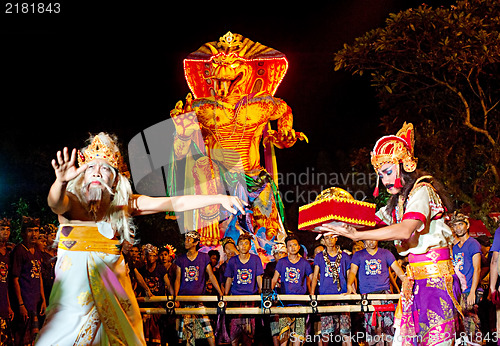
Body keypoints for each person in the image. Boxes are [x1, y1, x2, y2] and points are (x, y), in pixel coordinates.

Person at [36, 132, 245, 345]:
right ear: (81, 174)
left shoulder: (122, 207)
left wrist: (219, 198)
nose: (97, 172)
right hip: (71, 310)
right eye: (90, 167)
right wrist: (60, 182)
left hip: (115, 307)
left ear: (116, 179)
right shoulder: (72, 202)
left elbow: (174, 203)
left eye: (105, 168)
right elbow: (56, 203)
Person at [321, 123, 462, 346]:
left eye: (388, 172)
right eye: (381, 175)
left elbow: (405, 229)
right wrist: (337, 222)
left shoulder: (422, 191)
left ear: (404, 165)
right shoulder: (397, 203)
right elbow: (369, 221)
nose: (385, 181)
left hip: (436, 282)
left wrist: (356, 236)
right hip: (414, 282)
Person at [348, 240, 405, 346]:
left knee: (388, 328)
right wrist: (349, 285)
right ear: (364, 242)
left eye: (373, 238)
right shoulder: (358, 255)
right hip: (368, 295)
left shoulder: (385, 253)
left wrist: (405, 280)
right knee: (373, 328)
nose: (371, 242)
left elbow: (397, 268)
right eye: (368, 239)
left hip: (385, 294)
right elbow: (352, 271)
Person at [175, 231, 223, 346]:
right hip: (184, 300)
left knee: (208, 331)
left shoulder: (204, 257)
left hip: (198, 300)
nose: (186, 242)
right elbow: (178, 279)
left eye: (189, 240)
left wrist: (220, 293)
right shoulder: (181, 259)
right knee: (185, 335)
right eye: (185, 239)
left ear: (196, 242)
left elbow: (211, 275)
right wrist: (176, 298)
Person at [310, 234, 352, 346]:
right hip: (325, 296)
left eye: (332, 237)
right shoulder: (319, 256)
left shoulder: (345, 256)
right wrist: (312, 294)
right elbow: (315, 276)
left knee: (345, 331)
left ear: (336, 238)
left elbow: (349, 276)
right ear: (323, 240)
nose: (330, 240)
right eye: (327, 238)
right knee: (326, 332)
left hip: (342, 295)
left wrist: (352, 292)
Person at [11, 216, 46, 346]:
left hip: (36, 303)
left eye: (36, 230)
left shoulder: (37, 252)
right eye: (30, 230)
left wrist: (43, 299)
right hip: (25, 304)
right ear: (23, 233)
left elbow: (39, 276)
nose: (34, 234)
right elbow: (15, 279)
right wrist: (20, 305)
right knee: (23, 340)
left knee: (35, 340)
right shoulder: (19, 251)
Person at [448, 212, 483, 344]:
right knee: (463, 325)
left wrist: (473, 291)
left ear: (467, 225)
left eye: (460, 224)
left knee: (472, 323)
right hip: (460, 291)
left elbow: (478, 268)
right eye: (455, 225)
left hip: (471, 290)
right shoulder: (456, 247)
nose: (457, 228)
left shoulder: (473, 243)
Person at [272, 235, 313, 346]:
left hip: (300, 304)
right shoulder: (281, 262)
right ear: (286, 248)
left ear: (299, 247)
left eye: (295, 245)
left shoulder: (305, 263)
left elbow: (312, 279)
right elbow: (274, 279)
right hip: (284, 305)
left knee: (297, 339)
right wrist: (269, 294)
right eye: (290, 246)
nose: (293, 248)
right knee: (283, 338)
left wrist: (312, 294)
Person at [225, 233, 264, 346]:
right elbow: (228, 279)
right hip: (236, 299)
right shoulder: (233, 261)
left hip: (251, 299)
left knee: (249, 332)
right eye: (241, 244)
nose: (243, 246)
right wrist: (225, 296)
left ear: (250, 246)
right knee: (234, 332)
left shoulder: (256, 259)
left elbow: (259, 278)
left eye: (246, 243)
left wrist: (262, 294)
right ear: (237, 246)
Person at [0, 218, 14, 345]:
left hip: (3, 304)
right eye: (2, 229)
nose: (5, 232)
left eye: (8, 229)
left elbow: (6, 283)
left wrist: (9, 306)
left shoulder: (9, 253)